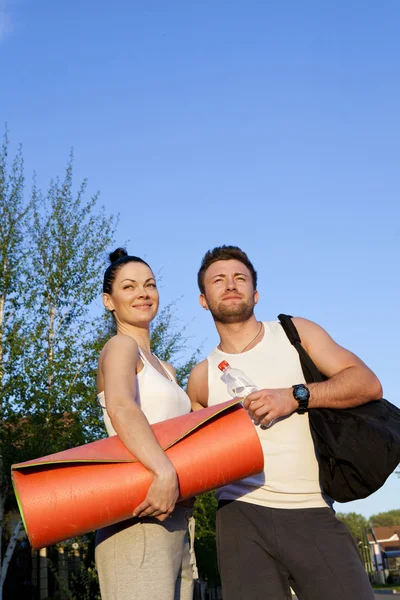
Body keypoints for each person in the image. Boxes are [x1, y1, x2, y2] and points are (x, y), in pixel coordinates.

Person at [187, 245, 381, 600]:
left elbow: (367, 383)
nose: (230, 284)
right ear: (203, 299)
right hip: (239, 516)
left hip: (311, 508)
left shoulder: (295, 333)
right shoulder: (201, 378)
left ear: (255, 293)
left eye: (239, 278)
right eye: (218, 279)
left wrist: (294, 396)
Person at [95, 248, 195, 600]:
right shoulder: (120, 346)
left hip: (176, 518)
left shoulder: (165, 368)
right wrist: (165, 472)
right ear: (110, 301)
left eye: (150, 285)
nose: (143, 293)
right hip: (138, 512)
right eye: (129, 286)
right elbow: (122, 407)